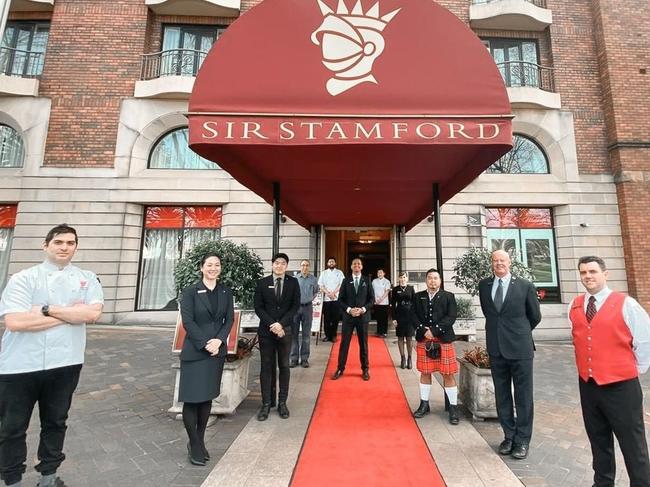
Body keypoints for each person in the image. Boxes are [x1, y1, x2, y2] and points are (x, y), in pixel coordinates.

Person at [0, 224, 104, 487]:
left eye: (70, 243)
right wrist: (69, 314)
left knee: (56, 422)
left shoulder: (87, 278)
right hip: (19, 366)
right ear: (46, 245)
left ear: (76, 247)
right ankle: (12, 479)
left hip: (66, 363)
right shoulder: (23, 278)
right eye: (59, 242)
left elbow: (92, 314)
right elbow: (14, 322)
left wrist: (43, 310)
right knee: (12, 427)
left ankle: (49, 477)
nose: (64, 247)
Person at [568, 256, 650, 486]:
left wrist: (631, 370)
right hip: (588, 385)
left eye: (593, 271)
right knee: (598, 441)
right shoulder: (575, 305)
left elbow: (644, 341)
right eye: (583, 272)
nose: (588, 276)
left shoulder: (626, 304)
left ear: (605, 274)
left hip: (621, 387)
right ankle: (602, 483)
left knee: (633, 444)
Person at [478, 249, 541, 460]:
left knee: (523, 397)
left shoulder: (524, 286)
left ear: (509, 262)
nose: (499, 263)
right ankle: (509, 436)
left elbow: (535, 316)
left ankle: (522, 440)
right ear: (491, 263)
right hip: (496, 349)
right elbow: (491, 314)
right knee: (502, 395)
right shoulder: (484, 285)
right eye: (495, 260)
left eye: (502, 260)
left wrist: (518, 333)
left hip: (520, 349)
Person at [178, 253, 234, 466]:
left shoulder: (225, 292)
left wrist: (219, 341)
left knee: (206, 399)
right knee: (192, 400)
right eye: (209, 265)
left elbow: (229, 319)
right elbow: (188, 322)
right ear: (201, 268)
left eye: (217, 265)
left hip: (216, 352)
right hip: (196, 351)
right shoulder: (190, 291)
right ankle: (195, 443)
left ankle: (198, 442)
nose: (213, 268)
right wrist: (205, 343)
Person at [254, 252, 300, 421]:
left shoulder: (293, 283)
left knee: (284, 366)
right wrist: (272, 325)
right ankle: (266, 403)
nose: (279, 266)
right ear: (272, 264)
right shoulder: (262, 283)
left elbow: (295, 307)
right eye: (276, 263)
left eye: (283, 263)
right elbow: (258, 307)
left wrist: (281, 324)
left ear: (286, 266)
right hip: (266, 332)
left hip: (285, 331)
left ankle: (282, 403)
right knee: (266, 367)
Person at [409, 268, 460, 424]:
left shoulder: (448, 296)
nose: (432, 281)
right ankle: (424, 405)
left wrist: (435, 330)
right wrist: (423, 330)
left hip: (443, 339)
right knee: (425, 372)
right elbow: (412, 314)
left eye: (435, 278)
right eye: (430, 278)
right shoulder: (418, 296)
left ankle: (453, 407)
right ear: (426, 280)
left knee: (448, 374)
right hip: (424, 339)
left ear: (440, 281)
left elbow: (451, 316)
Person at [332, 258, 374, 381]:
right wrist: (349, 309)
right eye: (354, 263)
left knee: (363, 344)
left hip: (362, 317)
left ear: (362, 266)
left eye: (359, 264)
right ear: (351, 266)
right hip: (348, 318)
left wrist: (363, 309)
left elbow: (372, 299)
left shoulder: (367, 280)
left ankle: (365, 369)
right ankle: (340, 368)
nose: (356, 265)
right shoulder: (346, 281)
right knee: (344, 344)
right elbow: (340, 300)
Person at [290, 259, 318, 368]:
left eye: (307, 265)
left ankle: (305, 359)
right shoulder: (295, 279)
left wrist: (309, 298)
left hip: (308, 308)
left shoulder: (313, 279)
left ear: (309, 267)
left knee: (306, 335)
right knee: (294, 335)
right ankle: (294, 358)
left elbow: (315, 292)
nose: (305, 267)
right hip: (295, 308)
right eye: (303, 265)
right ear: (300, 267)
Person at [392, 271, 415, 369]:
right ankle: (403, 358)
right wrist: (394, 318)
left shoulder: (411, 288)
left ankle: (410, 358)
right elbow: (392, 304)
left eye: (404, 277)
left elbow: (415, 303)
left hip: (410, 316)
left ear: (407, 278)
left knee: (409, 338)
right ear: (398, 279)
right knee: (400, 337)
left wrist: (415, 317)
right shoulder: (395, 289)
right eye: (400, 277)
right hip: (399, 315)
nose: (402, 279)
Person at [318, 257, 344, 342]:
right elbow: (321, 285)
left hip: (336, 298)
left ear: (335, 263)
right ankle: (327, 335)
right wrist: (328, 293)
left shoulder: (339, 272)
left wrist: (333, 293)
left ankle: (333, 335)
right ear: (327, 263)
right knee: (327, 318)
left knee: (335, 318)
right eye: (330, 262)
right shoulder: (324, 273)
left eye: (333, 261)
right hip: (327, 299)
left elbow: (341, 284)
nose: (331, 263)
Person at [371, 269, 391, 337]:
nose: (379, 274)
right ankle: (379, 331)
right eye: (378, 272)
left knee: (384, 318)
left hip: (384, 302)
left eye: (381, 272)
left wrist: (381, 299)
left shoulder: (387, 281)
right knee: (378, 318)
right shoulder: (374, 281)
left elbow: (387, 291)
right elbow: (372, 291)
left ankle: (384, 332)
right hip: (376, 302)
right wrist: (374, 299)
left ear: (384, 273)